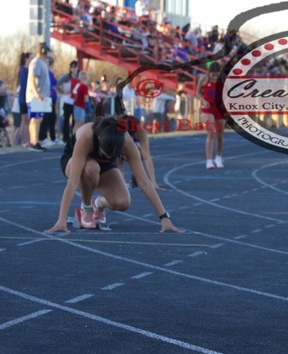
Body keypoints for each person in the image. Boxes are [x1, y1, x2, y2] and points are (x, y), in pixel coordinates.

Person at [44, 117, 182, 234]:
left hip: (104, 166)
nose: (107, 156)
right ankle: (86, 208)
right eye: (104, 153)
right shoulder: (87, 136)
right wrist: (61, 220)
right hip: (73, 161)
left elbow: (144, 182)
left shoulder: (127, 143)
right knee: (91, 168)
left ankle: (98, 203)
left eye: (113, 156)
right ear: (99, 141)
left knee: (122, 202)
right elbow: (73, 182)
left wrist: (164, 217)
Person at [195, 63, 226, 169]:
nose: (215, 77)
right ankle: (208, 160)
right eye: (213, 75)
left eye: (217, 75)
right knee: (211, 132)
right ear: (209, 73)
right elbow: (197, 92)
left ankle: (218, 157)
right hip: (207, 108)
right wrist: (203, 100)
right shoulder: (203, 79)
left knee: (220, 136)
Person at [26, 43, 53, 151]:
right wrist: (37, 94)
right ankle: (34, 142)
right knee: (36, 119)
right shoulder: (36, 62)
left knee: (39, 119)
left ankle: (35, 141)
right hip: (37, 96)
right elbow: (33, 79)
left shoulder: (42, 63)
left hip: (43, 95)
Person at [56, 60, 79, 143]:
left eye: (75, 67)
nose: (73, 69)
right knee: (66, 119)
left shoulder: (79, 76)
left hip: (76, 102)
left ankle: (73, 137)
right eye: (72, 67)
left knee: (75, 120)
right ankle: (65, 137)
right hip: (67, 101)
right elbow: (57, 83)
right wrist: (62, 91)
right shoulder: (67, 77)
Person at [17, 52, 31, 148]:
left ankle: (27, 140)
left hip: (27, 98)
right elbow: (24, 85)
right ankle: (23, 140)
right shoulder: (23, 71)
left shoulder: (28, 70)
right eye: (31, 57)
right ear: (26, 58)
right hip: (23, 98)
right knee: (24, 120)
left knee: (27, 121)